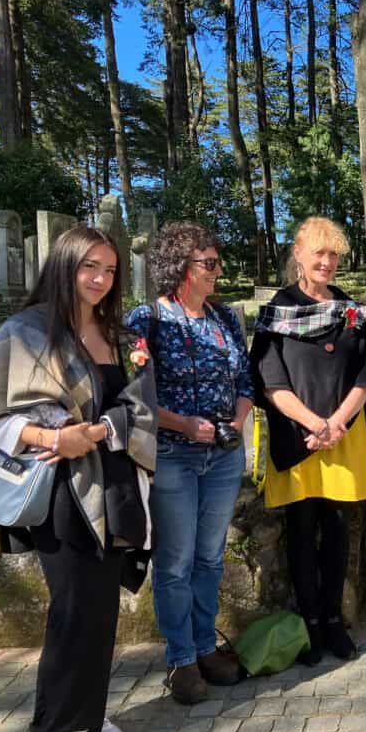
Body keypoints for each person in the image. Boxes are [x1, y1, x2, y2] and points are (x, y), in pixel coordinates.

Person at [0, 224, 157, 732]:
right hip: (61, 493)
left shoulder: (116, 334)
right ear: (64, 265)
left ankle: (88, 721)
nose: (100, 279)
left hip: (115, 485)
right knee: (72, 610)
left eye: (110, 270)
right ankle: (53, 729)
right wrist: (52, 438)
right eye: (89, 267)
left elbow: (141, 405)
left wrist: (98, 432)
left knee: (100, 612)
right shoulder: (25, 332)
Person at [249, 217, 366, 664]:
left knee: (336, 530)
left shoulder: (353, 311)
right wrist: (316, 425)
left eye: (333, 254)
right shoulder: (278, 311)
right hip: (298, 437)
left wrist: (336, 424)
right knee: (300, 529)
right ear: (298, 255)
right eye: (319, 253)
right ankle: (309, 623)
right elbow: (269, 382)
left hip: (343, 436)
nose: (327, 262)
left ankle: (333, 621)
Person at [125, 222, 253, 704]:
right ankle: (180, 660)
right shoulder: (147, 320)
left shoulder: (223, 320)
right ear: (181, 267)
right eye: (210, 264)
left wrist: (237, 422)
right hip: (174, 455)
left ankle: (204, 648)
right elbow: (135, 398)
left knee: (209, 557)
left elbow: (245, 380)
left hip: (222, 454)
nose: (218, 272)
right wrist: (184, 425)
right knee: (175, 563)